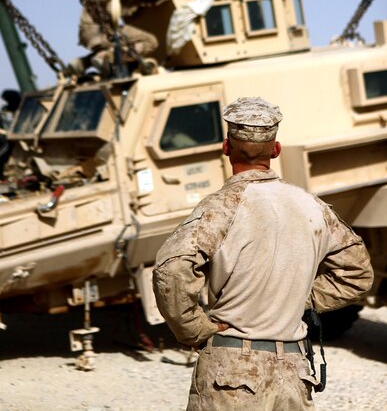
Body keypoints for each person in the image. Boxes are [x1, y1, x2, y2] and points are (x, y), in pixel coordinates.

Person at [153, 96, 373, 410]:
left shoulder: (221, 208)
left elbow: (172, 268)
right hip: (293, 375)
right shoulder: (312, 207)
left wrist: (193, 329)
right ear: (276, 149)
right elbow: (358, 274)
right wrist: (297, 299)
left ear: (226, 148)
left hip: (229, 373)